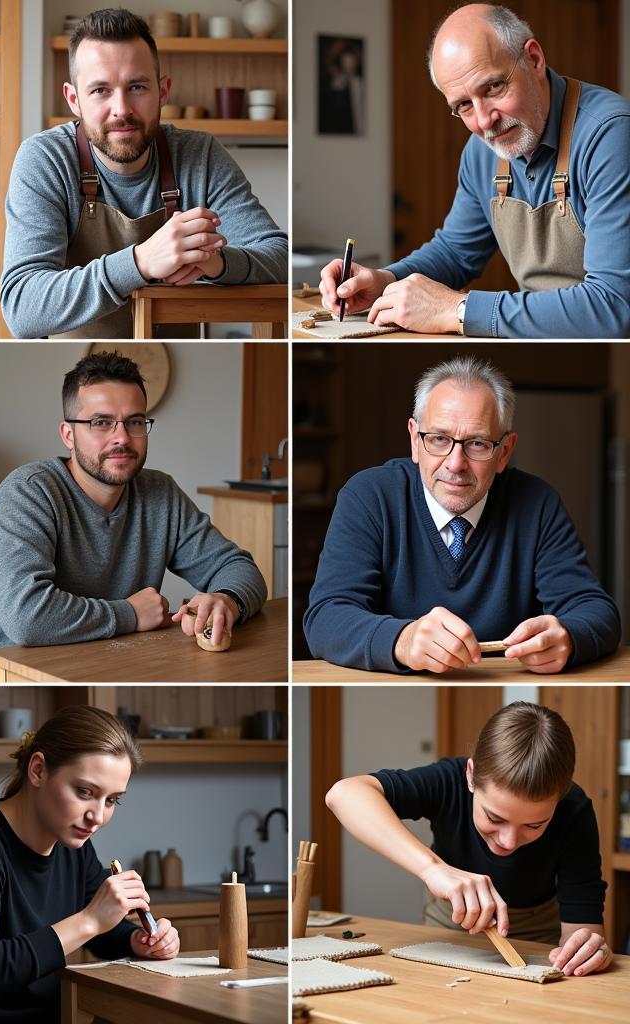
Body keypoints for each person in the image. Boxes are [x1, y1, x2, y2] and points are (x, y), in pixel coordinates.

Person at [318, 3, 630, 338]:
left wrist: (458, 310)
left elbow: (614, 305)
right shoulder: (482, 151)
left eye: (493, 87)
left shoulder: (611, 135)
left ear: (534, 60)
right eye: (464, 105)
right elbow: (456, 252)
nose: (484, 122)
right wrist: (386, 281)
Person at [0, 349, 267, 680]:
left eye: (134, 422)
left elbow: (238, 568)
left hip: (106, 672)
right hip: (0, 679)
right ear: (68, 434)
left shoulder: (160, 492)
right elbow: (26, 617)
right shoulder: (28, 491)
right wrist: (131, 613)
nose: (121, 437)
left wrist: (226, 601)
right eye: (101, 422)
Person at [303, 356, 620, 673]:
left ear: (504, 452)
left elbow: (597, 611)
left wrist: (569, 637)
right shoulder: (369, 497)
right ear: (415, 440)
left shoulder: (538, 504)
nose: (455, 463)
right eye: (439, 439)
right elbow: (325, 618)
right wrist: (401, 640)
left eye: (478, 444)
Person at [0, 7, 287, 338]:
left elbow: (278, 255)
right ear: (74, 99)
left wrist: (219, 264)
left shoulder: (201, 155)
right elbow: (21, 307)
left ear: (162, 91)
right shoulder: (45, 160)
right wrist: (139, 263)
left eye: (136, 87)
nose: (122, 109)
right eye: (100, 90)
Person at [325, 701, 611, 976]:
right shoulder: (449, 781)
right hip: (447, 925)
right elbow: (344, 794)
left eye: (534, 825)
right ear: (472, 776)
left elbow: (581, 932)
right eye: (495, 819)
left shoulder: (574, 809)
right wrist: (432, 869)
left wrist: (586, 951)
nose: (509, 842)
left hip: (539, 936)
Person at [0, 705, 180, 1022]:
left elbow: (102, 931)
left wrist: (138, 941)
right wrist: (89, 920)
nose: (97, 817)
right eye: (85, 791)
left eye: (112, 800)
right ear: (38, 770)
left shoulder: (72, 841)